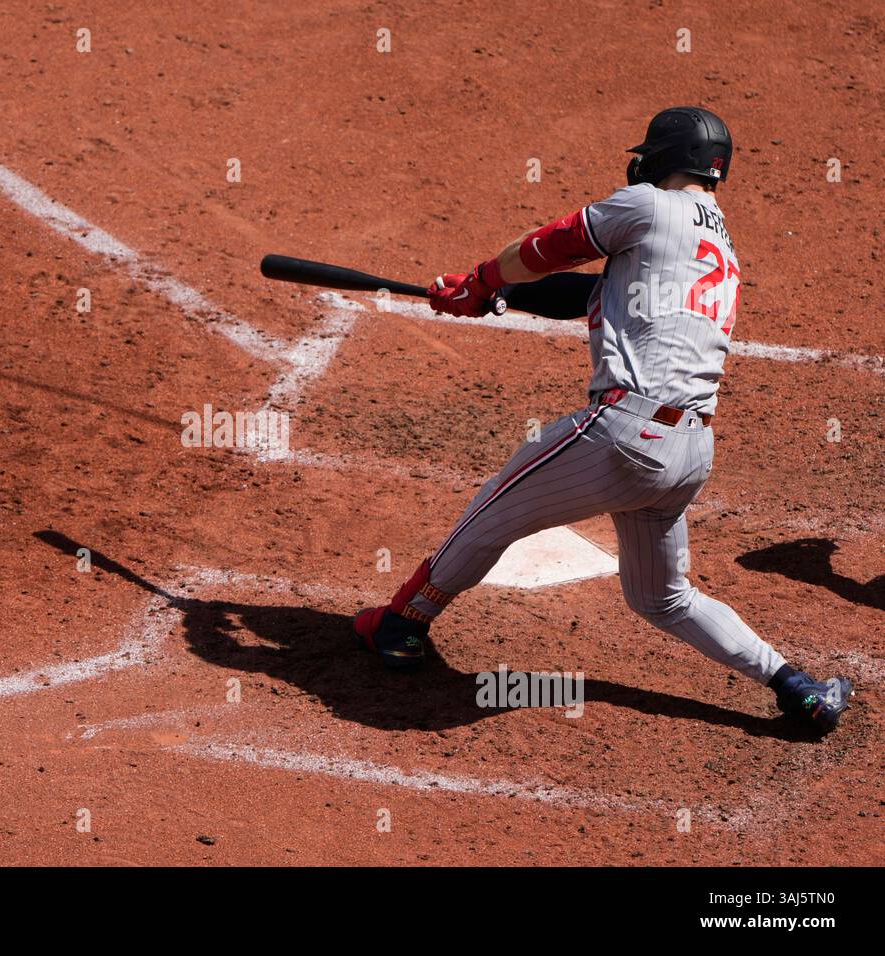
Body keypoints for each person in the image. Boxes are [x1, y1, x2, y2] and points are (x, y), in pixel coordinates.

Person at [353, 106, 852, 734]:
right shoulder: (713, 244)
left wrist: (480, 279)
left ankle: (400, 625)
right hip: (688, 452)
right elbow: (595, 294)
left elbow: (552, 246)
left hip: (623, 434)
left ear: (664, 158)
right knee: (664, 599)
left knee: (492, 513)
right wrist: (499, 296)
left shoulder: (649, 204)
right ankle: (798, 689)